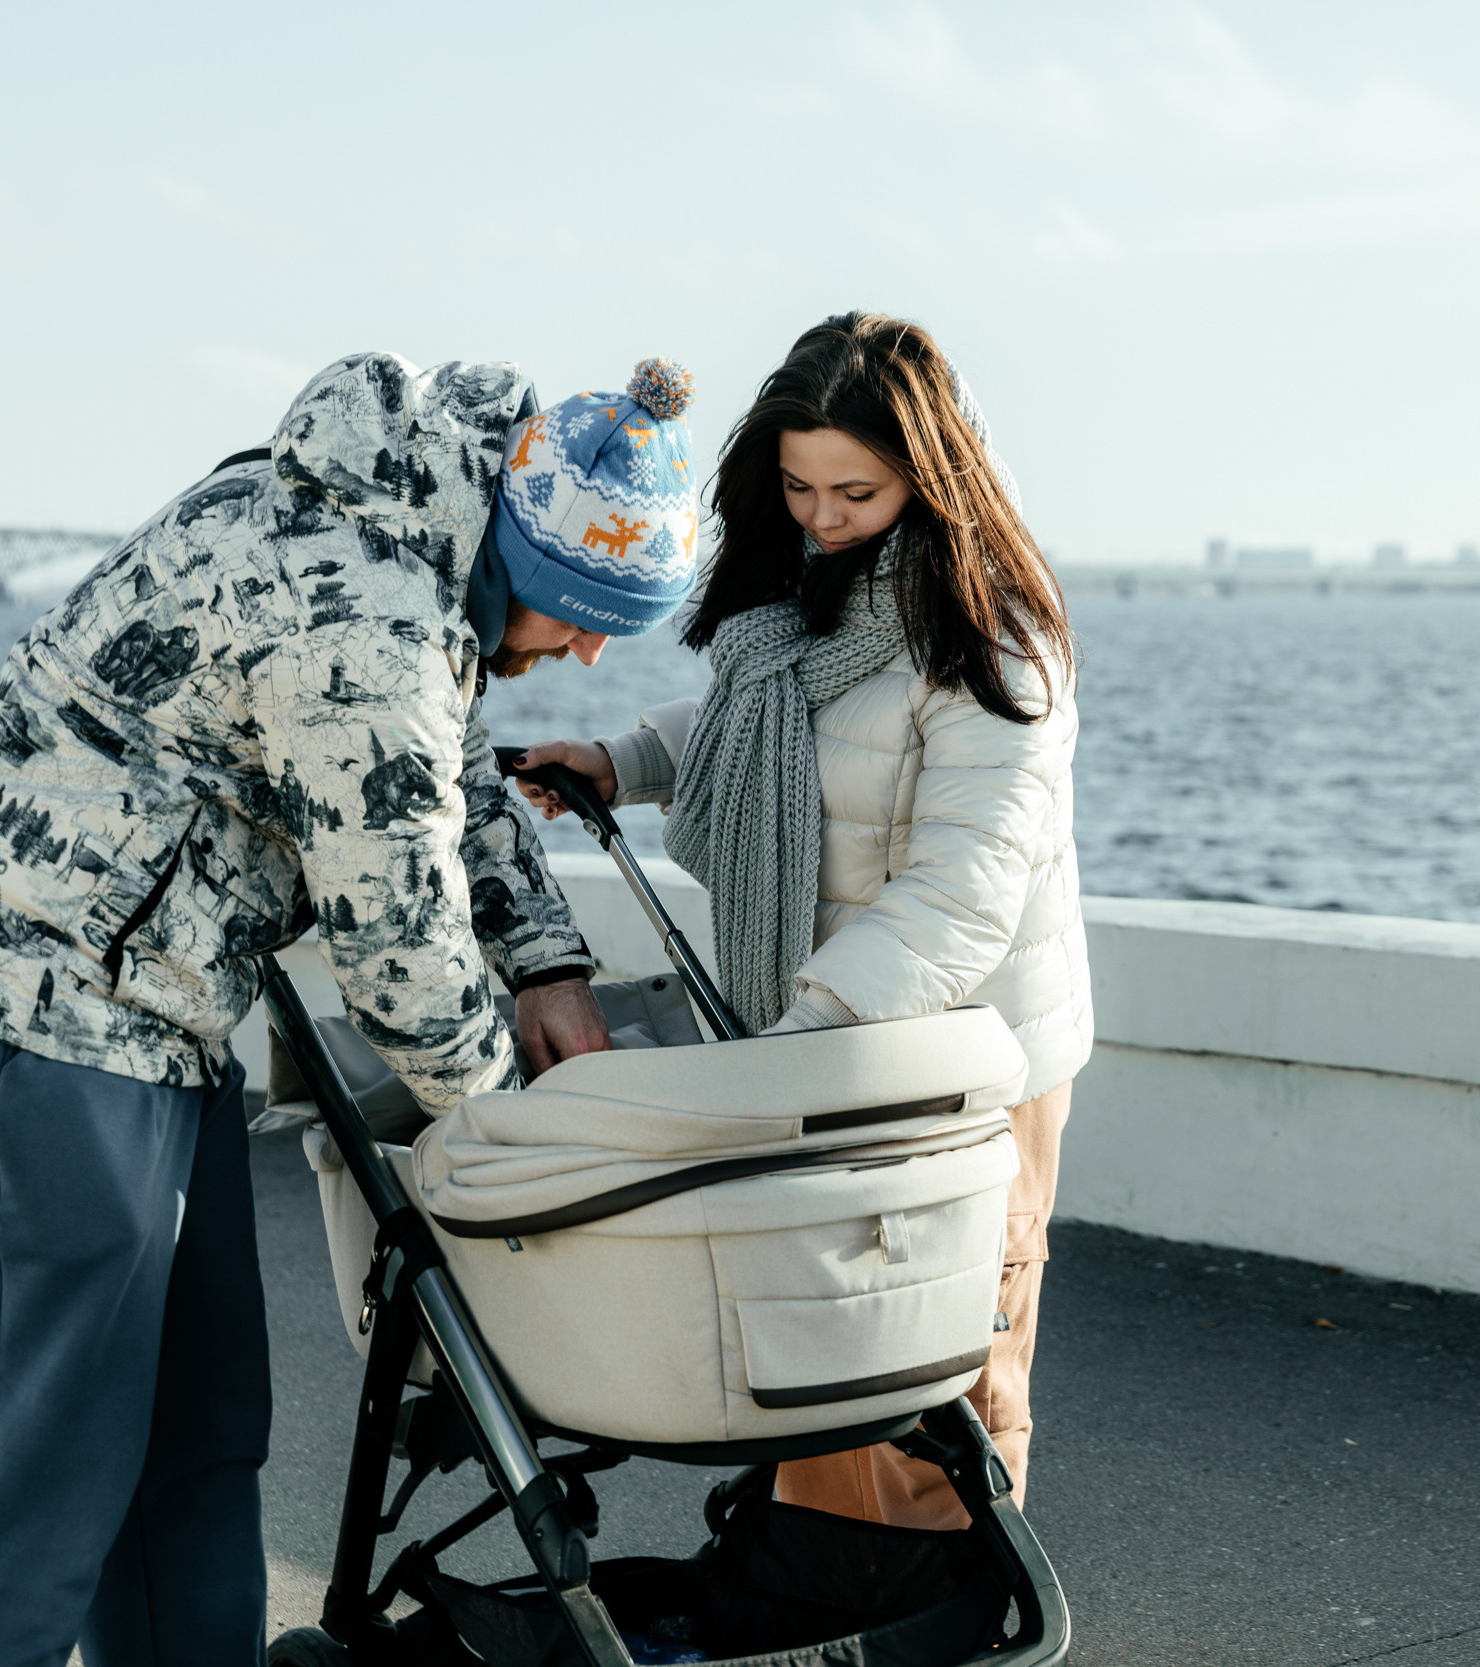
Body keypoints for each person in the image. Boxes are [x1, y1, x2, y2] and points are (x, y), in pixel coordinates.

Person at [0, 350, 701, 1667]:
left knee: (195, 1434)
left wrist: (547, 959)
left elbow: (444, 765)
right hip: (29, 1009)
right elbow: (403, 955)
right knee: (36, 1468)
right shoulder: (366, 622)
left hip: (161, 1011)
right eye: (586, 610)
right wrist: (527, 1154)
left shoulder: (426, 538)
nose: (592, 646)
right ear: (531, 554)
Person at [516, 312, 1089, 1530]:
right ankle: (817, 1586)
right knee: (822, 1348)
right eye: (795, 486)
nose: (820, 517)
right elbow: (757, 716)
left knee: (939, 1364)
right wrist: (623, 760)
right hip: (828, 1048)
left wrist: (811, 1033)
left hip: (953, 1062)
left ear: (934, 481)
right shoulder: (812, 605)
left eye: (855, 492)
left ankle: (937, 1608)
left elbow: (961, 894)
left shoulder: (995, 647)